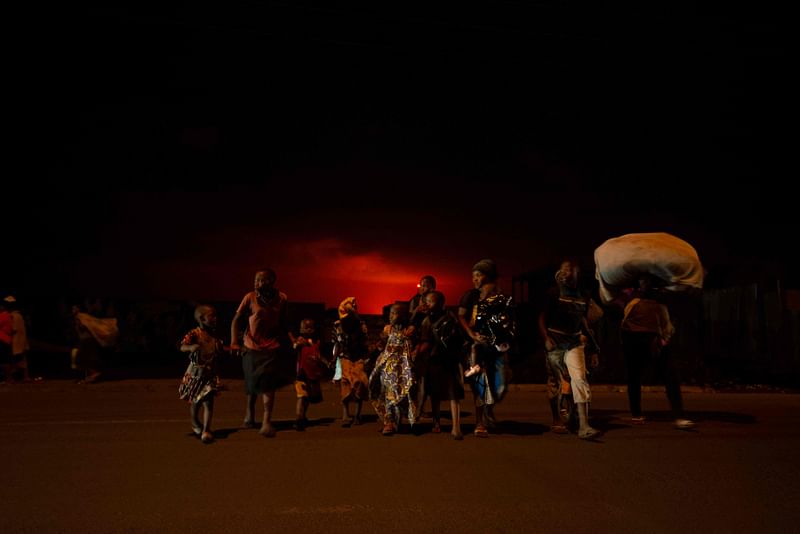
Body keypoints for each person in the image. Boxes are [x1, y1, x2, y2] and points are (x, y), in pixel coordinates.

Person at [620, 275, 695, 430]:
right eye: (643, 281)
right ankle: (638, 414)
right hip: (640, 343)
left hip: (651, 343)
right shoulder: (637, 299)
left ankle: (677, 415)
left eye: (646, 282)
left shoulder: (655, 300)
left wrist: (664, 338)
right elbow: (625, 322)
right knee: (639, 376)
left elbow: (665, 321)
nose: (644, 285)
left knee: (668, 376)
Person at [538, 259, 602, 439]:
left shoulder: (584, 295)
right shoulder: (554, 293)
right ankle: (557, 419)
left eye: (569, 269)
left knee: (579, 379)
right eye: (563, 269)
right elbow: (542, 318)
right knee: (556, 382)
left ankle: (584, 425)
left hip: (574, 342)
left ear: (576, 273)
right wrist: (546, 338)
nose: (565, 272)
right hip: (555, 341)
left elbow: (584, 321)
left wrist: (594, 348)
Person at [230, 268, 292, 437]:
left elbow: (284, 323)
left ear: (271, 281)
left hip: (272, 347)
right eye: (255, 280)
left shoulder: (282, 298)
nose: (256, 283)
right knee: (252, 384)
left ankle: (266, 421)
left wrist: (293, 340)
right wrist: (234, 342)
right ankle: (250, 413)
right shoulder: (249, 297)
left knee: (268, 384)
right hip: (251, 346)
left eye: (260, 280)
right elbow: (236, 320)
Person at [457, 259, 515, 437]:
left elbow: (507, 320)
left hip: (496, 345)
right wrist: (471, 334)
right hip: (477, 345)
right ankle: (479, 422)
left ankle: (489, 411)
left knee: (500, 382)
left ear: (488, 276)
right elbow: (461, 317)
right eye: (473, 276)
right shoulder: (470, 296)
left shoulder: (500, 297)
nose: (474, 279)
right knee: (480, 382)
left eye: (478, 275)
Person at [417, 290, 465, 440]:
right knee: (435, 393)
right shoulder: (427, 320)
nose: (427, 304)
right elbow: (425, 340)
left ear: (440, 303)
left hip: (448, 360)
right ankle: (436, 422)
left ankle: (456, 427)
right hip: (434, 360)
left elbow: (457, 338)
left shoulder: (449, 319)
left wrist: (417, 352)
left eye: (430, 301)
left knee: (453, 394)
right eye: (427, 301)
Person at [178, 304, 225, 444]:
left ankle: (206, 430)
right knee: (196, 402)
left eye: (216, 315)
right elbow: (182, 346)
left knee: (209, 402)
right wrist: (190, 347)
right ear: (201, 318)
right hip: (196, 373)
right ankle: (194, 422)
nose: (215, 318)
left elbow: (217, 351)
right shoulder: (194, 334)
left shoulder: (215, 334)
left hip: (209, 374)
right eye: (212, 316)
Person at [369, 303, 418, 436]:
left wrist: (415, 352)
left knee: (403, 393)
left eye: (394, 313)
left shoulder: (410, 330)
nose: (391, 316)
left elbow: (415, 346)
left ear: (402, 316)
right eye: (390, 313)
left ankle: (398, 420)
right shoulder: (387, 329)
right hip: (388, 367)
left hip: (403, 368)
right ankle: (388, 422)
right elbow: (383, 344)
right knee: (388, 393)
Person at [331, 297, 370, 427]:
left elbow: (365, 344)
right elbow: (337, 344)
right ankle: (345, 414)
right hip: (345, 358)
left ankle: (358, 414)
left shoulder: (361, 326)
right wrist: (334, 359)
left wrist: (367, 358)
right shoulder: (338, 326)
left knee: (359, 383)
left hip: (358, 358)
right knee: (345, 384)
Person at [289, 318, 325, 431]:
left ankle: (303, 416)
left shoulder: (316, 343)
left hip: (312, 375)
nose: (309, 330)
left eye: (311, 328)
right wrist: (296, 343)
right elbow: (295, 346)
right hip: (301, 374)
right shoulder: (300, 341)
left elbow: (318, 357)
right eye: (306, 328)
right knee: (302, 396)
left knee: (307, 398)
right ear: (301, 329)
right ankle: (299, 419)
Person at [71, 304, 118, 384]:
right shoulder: (81, 317)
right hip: (85, 340)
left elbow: (84, 327)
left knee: (82, 359)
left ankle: (95, 374)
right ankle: (88, 377)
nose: (73, 310)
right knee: (82, 358)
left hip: (88, 340)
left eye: (75, 308)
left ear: (79, 309)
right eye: (73, 308)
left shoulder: (81, 316)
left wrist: (79, 324)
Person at [4, 296, 38, 383]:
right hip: (22, 341)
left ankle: (11, 378)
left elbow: (14, 329)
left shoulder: (12, 316)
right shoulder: (19, 315)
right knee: (22, 359)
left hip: (16, 341)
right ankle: (25, 376)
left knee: (12, 359)